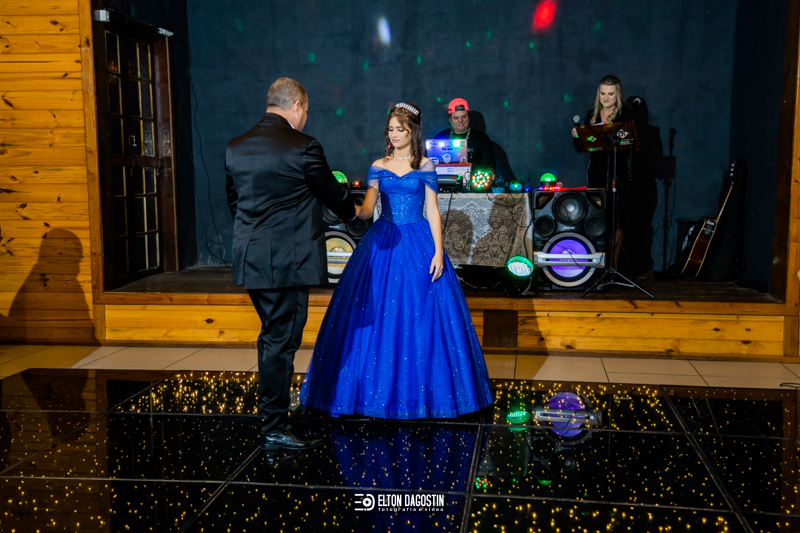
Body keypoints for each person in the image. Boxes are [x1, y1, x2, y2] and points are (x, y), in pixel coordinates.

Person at [300, 102, 492, 419]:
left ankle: (427, 393)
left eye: (400, 129)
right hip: (384, 240)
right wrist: (345, 208)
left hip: (418, 240)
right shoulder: (378, 165)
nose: (394, 134)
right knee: (377, 313)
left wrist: (439, 251)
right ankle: (370, 391)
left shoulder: (426, 165)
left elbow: (432, 210)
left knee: (422, 314)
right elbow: (367, 209)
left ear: (412, 131)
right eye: (390, 129)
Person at [226, 77, 358, 451]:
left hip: (251, 257)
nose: (305, 117)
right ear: (297, 106)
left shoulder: (235, 147)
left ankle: (275, 414)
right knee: (280, 341)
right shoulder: (303, 147)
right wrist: (353, 214)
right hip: (288, 262)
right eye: (306, 110)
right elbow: (331, 193)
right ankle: (274, 427)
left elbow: (234, 203)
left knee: (274, 335)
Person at [572, 75, 633, 263]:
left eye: (610, 94)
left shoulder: (625, 116)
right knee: (596, 215)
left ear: (618, 95)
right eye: (602, 93)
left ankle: (613, 263)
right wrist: (577, 137)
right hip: (596, 171)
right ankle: (598, 263)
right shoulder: (591, 115)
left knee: (617, 218)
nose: (606, 98)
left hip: (617, 171)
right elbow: (581, 149)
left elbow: (631, 146)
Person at [434, 98, 496, 178]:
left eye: (464, 116)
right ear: (450, 119)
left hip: (475, 181)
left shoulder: (481, 138)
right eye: (456, 118)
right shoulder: (440, 137)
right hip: (445, 182)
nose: (460, 120)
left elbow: (489, 161)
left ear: (469, 117)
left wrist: (490, 172)